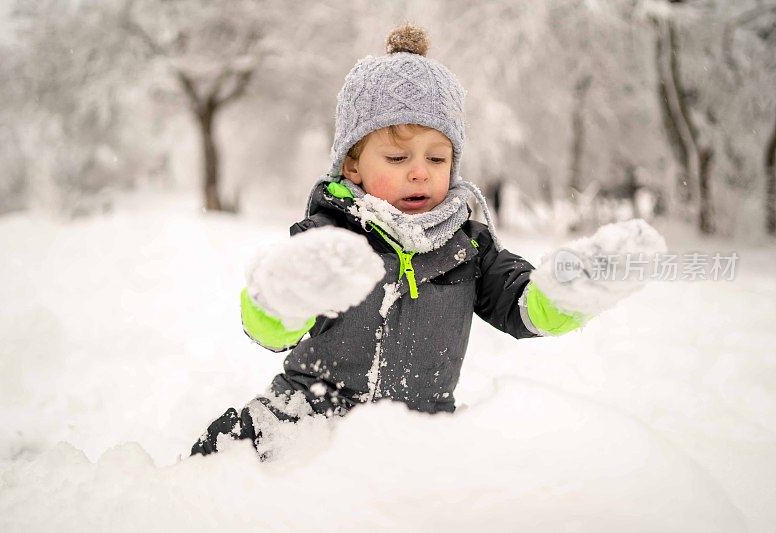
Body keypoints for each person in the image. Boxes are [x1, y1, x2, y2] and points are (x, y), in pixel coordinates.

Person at [190, 23, 587, 460]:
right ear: (352, 165)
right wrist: (281, 297)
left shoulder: (468, 248)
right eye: (398, 158)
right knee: (226, 458)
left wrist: (567, 292)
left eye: (437, 158)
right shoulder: (327, 239)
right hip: (308, 419)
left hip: (417, 436)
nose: (420, 171)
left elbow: (522, 304)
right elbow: (269, 329)